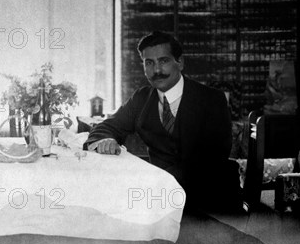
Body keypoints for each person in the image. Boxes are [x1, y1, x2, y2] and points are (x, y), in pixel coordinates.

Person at [84, 31, 240, 211]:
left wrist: (153, 180)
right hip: (162, 198)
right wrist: (106, 139)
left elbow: (214, 157)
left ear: (180, 62)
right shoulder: (141, 98)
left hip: (212, 199)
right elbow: (107, 126)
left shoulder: (212, 99)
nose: (156, 70)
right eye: (149, 63)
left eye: (163, 61)